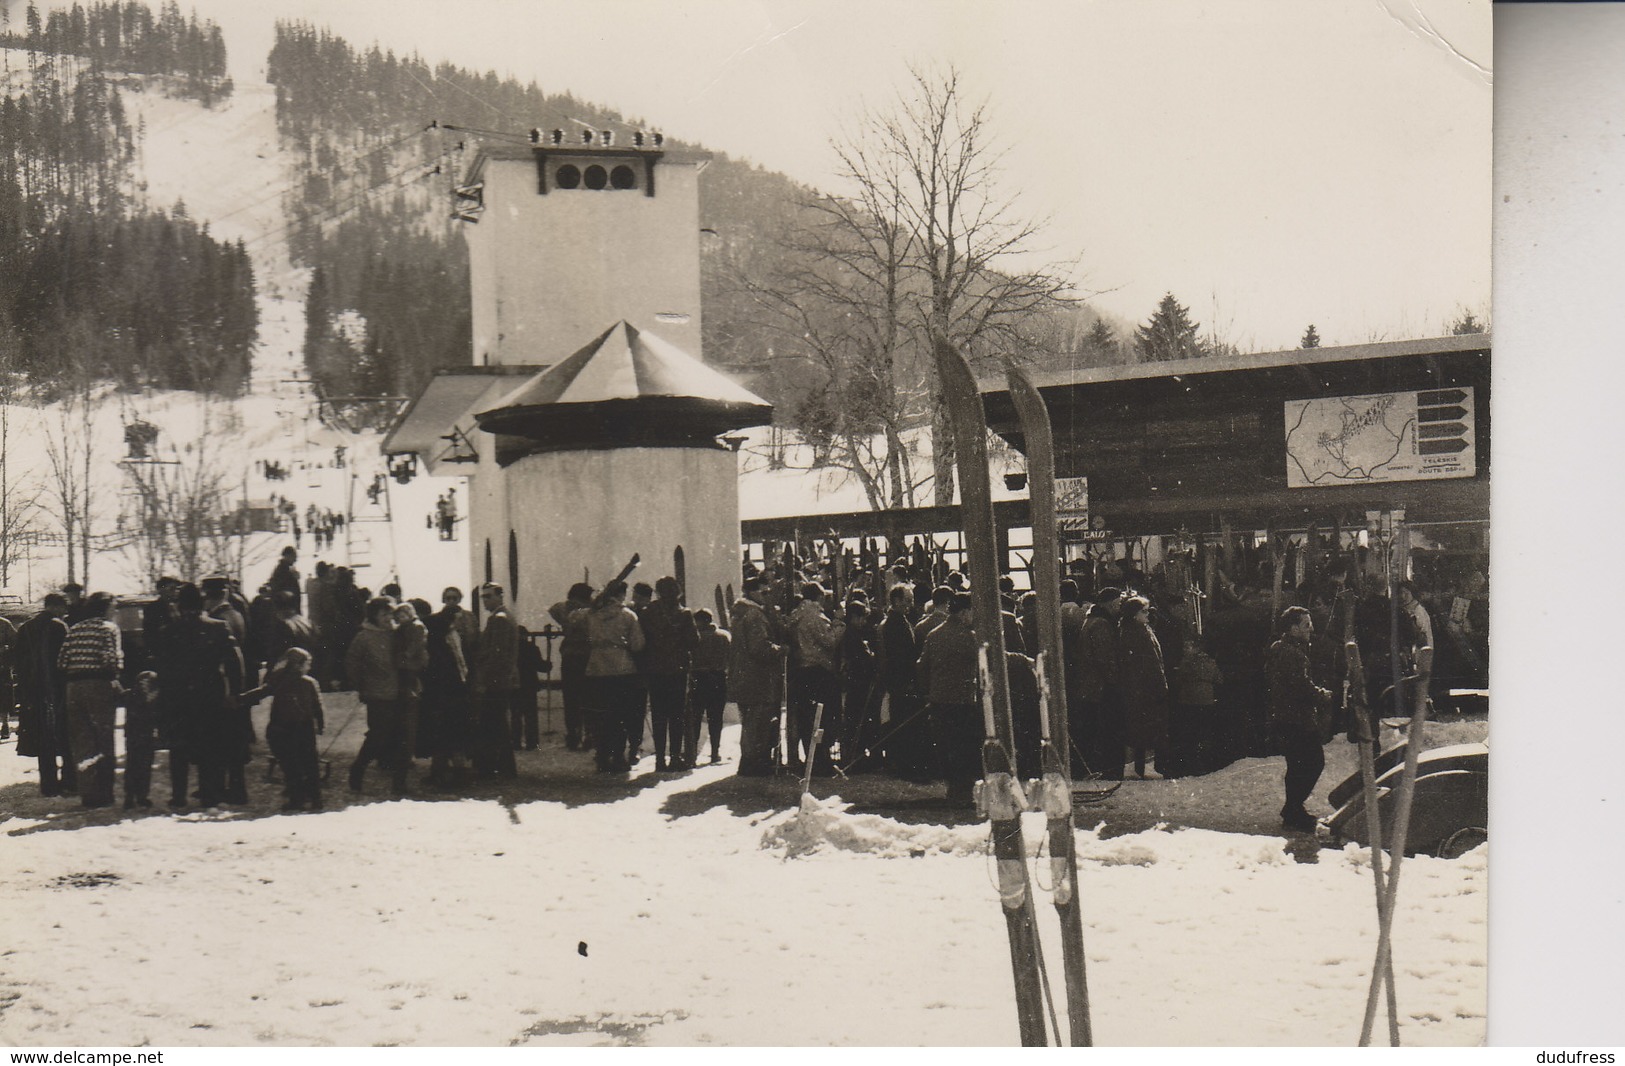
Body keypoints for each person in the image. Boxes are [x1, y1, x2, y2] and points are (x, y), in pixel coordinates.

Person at [155, 583, 245, 809]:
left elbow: (162, 669)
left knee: (179, 749)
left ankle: (179, 796)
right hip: (210, 695)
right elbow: (235, 664)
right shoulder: (219, 627)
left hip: (178, 698)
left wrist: (163, 700)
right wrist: (234, 692)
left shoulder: (168, 631)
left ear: (179, 605)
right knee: (210, 747)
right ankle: (210, 795)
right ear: (202, 602)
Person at [1266, 606, 1333, 832]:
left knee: (1296, 765)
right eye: (1306, 625)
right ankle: (1293, 809)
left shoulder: (1280, 648)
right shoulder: (1293, 653)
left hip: (1284, 717)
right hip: (1298, 719)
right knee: (1314, 762)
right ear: (1293, 629)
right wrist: (1321, 695)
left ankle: (1293, 809)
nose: (1311, 629)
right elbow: (1301, 687)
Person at [56, 592, 123, 808]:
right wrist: (115, 678)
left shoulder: (75, 628)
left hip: (73, 688)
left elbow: (62, 662)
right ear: (105, 608)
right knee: (104, 739)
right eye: (114, 607)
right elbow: (111, 660)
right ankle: (105, 793)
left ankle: (88, 793)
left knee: (82, 743)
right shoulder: (108, 628)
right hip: (98, 685)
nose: (115, 611)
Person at [241, 648, 326, 811]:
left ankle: (297, 798)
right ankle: (315, 799)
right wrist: (320, 724)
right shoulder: (309, 682)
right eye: (307, 664)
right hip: (304, 727)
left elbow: (262, 691)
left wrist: (241, 699)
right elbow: (318, 706)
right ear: (299, 665)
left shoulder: (279, 679)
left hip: (282, 726)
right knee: (310, 764)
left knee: (290, 765)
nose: (308, 667)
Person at [915, 593, 979, 806]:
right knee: (965, 747)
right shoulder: (968, 637)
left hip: (939, 699)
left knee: (947, 746)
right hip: (963, 700)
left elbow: (922, 666)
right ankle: (964, 791)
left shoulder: (934, 634)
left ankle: (953, 788)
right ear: (963, 612)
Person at [346, 597, 406, 794]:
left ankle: (399, 783)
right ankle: (358, 768)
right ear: (374, 616)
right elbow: (352, 664)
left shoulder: (397, 633)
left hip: (399, 692)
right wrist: (360, 687)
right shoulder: (364, 637)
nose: (388, 618)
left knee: (399, 736)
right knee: (377, 736)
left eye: (391, 614)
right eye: (384, 614)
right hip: (376, 694)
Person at [585, 580, 645, 773]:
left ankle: (602, 756)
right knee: (621, 715)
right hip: (622, 668)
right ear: (622, 595)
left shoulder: (592, 614)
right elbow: (637, 644)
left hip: (596, 668)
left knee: (600, 715)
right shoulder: (628, 615)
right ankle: (619, 757)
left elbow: (572, 618)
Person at [15, 594, 72, 795]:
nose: (66, 612)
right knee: (65, 735)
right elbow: (66, 659)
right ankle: (69, 783)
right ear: (54, 607)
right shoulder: (59, 626)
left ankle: (48, 785)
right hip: (57, 688)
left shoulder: (25, 628)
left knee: (43, 738)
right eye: (64, 608)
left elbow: (18, 662)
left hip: (33, 691)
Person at [639, 576, 697, 771]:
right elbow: (693, 642)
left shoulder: (647, 613)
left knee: (658, 715)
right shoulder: (684, 614)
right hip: (677, 670)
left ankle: (659, 760)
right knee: (676, 715)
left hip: (655, 670)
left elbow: (641, 643)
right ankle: (674, 757)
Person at [787, 582, 844, 774]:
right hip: (818, 670)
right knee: (824, 717)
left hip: (801, 669)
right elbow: (830, 642)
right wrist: (837, 624)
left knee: (807, 718)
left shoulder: (796, 614)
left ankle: (812, 757)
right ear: (819, 597)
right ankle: (821, 760)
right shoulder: (816, 617)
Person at [729, 577, 784, 777]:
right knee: (758, 723)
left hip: (744, 677)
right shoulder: (755, 615)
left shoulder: (739, 614)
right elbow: (759, 647)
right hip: (758, 677)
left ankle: (749, 762)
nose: (766, 596)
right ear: (752, 593)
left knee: (750, 723)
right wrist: (780, 650)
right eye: (764, 592)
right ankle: (754, 764)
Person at [1073, 587, 1123, 779]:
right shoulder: (1102, 624)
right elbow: (1104, 658)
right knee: (1099, 730)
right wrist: (1114, 681)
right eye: (1118, 604)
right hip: (1098, 687)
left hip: (1089, 685)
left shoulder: (1090, 620)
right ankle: (1098, 770)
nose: (1119, 608)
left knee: (1089, 729)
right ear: (1110, 603)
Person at [470, 583, 520, 778]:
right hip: (500, 679)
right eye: (483, 597)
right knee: (497, 724)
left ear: (500, 597)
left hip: (495, 680)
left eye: (489, 596)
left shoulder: (499, 619)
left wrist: (485, 679)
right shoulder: (503, 617)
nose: (485, 600)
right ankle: (502, 768)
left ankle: (494, 768)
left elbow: (496, 655)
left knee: (494, 724)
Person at [1117, 596, 1169, 779]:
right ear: (1134, 614)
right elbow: (1152, 662)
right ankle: (1148, 767)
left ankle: (1130, 767)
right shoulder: (1140, 633)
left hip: (1134, 687)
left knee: (1133, 726)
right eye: (1144, 611)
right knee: (1150, 727)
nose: (1148, 614)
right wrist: (1161, 685)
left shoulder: (1128, 631)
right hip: (1146, 687)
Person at [1165, 637, 1223, 778]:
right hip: (1207, 700)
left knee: (1190, 733)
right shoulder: (1211, 662)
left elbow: (1178, 679)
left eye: (1188, 646)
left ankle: (1191, 764)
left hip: (1189, 701)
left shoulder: (1186, 662)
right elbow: (1220, 679)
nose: (1185, 649)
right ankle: (1204, 763)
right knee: (1204, 733)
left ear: (1196, 648)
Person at [549, 582, 596, 751]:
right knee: (588, 698)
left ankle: (573, 735)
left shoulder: (564, 609)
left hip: (569, 658)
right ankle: (589, 734)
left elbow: (554, 609)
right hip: (586, 656)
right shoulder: (589, 612)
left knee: (571, 699)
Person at [393, 601, 429, 785]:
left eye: (401, 616)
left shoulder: (416, 627)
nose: (399, 620)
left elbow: (414, 648)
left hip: (411, 669)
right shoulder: (406, 627)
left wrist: (403, 656)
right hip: (408, 669)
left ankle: (407, 757)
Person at [688, 608, 730, 764]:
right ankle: (714, 752)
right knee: (716, 718)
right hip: (718, 679)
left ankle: (692, 754)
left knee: (695, 718)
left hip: (698, 679)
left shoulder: (695, 638)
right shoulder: (724, 636)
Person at [123, 670, 161, 809]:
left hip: (135, 734)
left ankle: (134, 796)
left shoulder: (131, 695)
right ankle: (138, 795)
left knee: (134, 765)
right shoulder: (150, 697)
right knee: (141, 765)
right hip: (142, 734)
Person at [270, 547, 302, 614]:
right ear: (287, 556)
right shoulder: (282, 570)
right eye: (294, 557)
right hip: (287, 612)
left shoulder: (287, 569)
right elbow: (279, 590)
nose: (295, 560)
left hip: (291, 611)